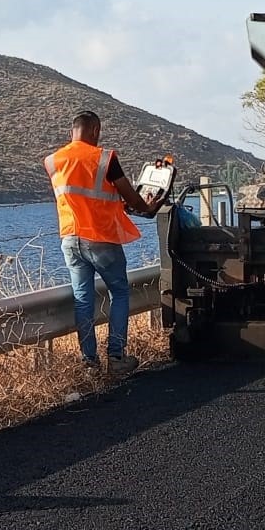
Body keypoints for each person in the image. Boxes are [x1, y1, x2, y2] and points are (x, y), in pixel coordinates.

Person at [45, 111, 160, 372]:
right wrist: (147, 205)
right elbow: (131, 197)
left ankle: (90, 362)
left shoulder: (53, 161)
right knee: (119, 292)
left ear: (71, 132)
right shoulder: (105, 158)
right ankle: (116, 358)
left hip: (69, 239)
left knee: (82, 299)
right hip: (100, 239)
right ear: (95, 130)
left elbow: (82, 195)